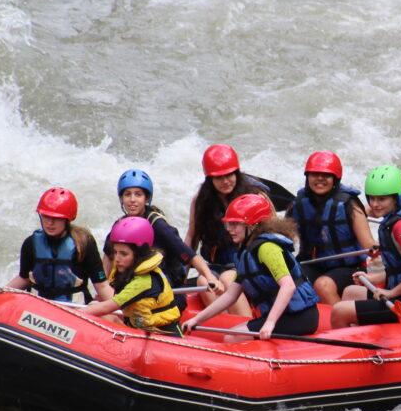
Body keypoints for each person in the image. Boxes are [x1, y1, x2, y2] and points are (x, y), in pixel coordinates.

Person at [183, 194, 320, 341]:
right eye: (228, 224)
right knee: (232, 334)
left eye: (235, 224)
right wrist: (196, 320)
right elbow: (230, 296)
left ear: (253, 225)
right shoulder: (245, 254)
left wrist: (270, 322)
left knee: (231, 338)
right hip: (283, 316)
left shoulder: (267, 248)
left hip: (300, 316)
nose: (229, 229)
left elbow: (288, 286)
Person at [330, 165, 401, 328]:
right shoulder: (394, 220)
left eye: (382, 199)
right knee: (350, 292)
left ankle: (351, 351)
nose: (375, 204)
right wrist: (376, 278)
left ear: (396, 198)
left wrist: (391, 293)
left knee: (340, 311)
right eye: (371, 198)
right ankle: (362, 340)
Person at [106, 169, 223, 314]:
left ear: (147, 198)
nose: (132, 200)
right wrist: (108, 288)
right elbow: (108, 255)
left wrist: (210, 276)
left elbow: (189, 255)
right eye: (127, 194)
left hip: (168, 293)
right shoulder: (120, 225)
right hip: (136, 290)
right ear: (121, 198)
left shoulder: (158, 225)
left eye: (138, 194)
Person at [184, 144, 271, 316]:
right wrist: (180, 273)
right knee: (203, 281)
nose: (225, 181)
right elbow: (192, 237)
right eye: (219, 177)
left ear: (236, 173)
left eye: (229, 175)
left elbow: (272, 234)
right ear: (210, 179)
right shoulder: (201, 200)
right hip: (217, 265)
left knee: (228, 279)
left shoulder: (255, 196)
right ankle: (225, 328)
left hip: (248, 264)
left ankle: (246, 326)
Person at [286, 151, 377, 304]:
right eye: (315, 174)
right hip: (312, 264)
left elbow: (368, 244)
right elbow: (283, 238)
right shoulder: (299, 203)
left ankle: (341, 319)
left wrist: (380, 249)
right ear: (307, 177)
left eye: (326, 175)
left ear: (335, 179)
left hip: (350, 268)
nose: (320, 179)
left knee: (323, 285)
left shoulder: (349, 204)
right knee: (288, 280)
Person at [7, 187, 113, 304]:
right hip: (38, 305)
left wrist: (121, 309)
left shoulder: (84, 243)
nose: (49, 223)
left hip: (73, 307)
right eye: (46, 216)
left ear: (67, 219)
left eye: (56, 218)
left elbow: (102, 286)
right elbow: (24, 278)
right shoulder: (31, 243)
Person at [80, 218, 183, 336]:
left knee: (101, 312)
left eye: (124, 254)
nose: (117, 259)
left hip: (162, 336)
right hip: (139, 329)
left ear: (139, 254)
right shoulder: (130, 271)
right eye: (115, 252)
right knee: (101, 314)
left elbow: (107, 307)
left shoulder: (143, 281)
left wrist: (71, 314)